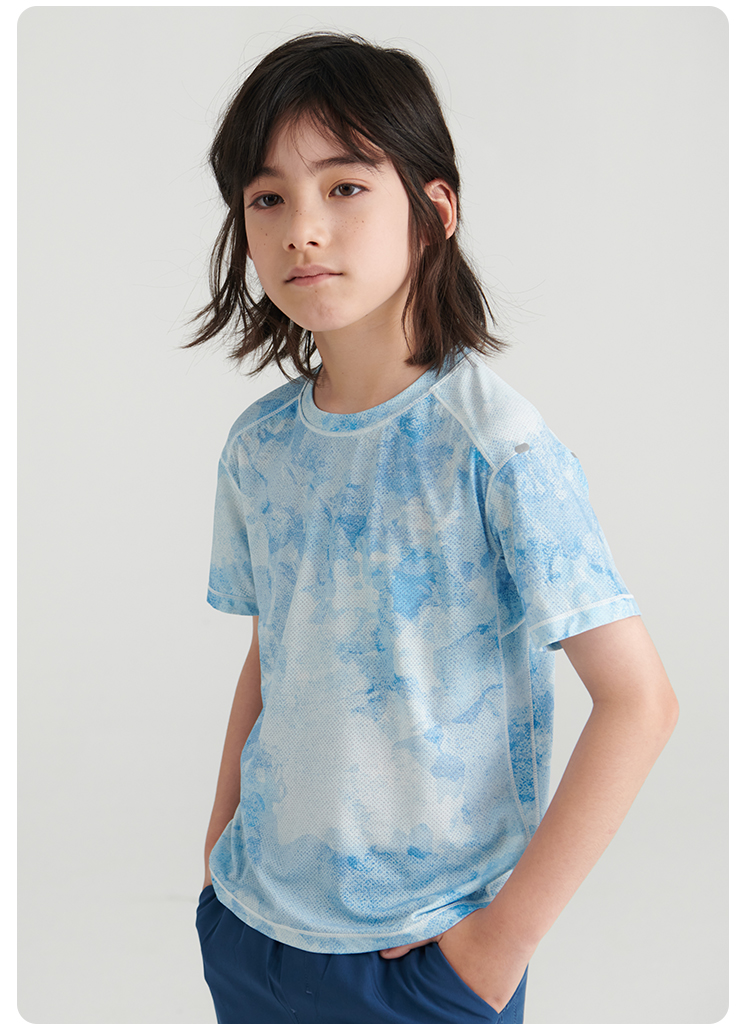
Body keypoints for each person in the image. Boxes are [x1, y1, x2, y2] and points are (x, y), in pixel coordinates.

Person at [185, 32, 679, 1025]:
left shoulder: (495, 448)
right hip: (251, 927)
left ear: (435, 210)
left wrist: (497, 947)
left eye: (345, 187)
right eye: (268, 198)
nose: (302, 230)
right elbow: (273, 653)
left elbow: (640, 702)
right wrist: (218, 852)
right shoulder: (260, 447)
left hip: (421, 958)